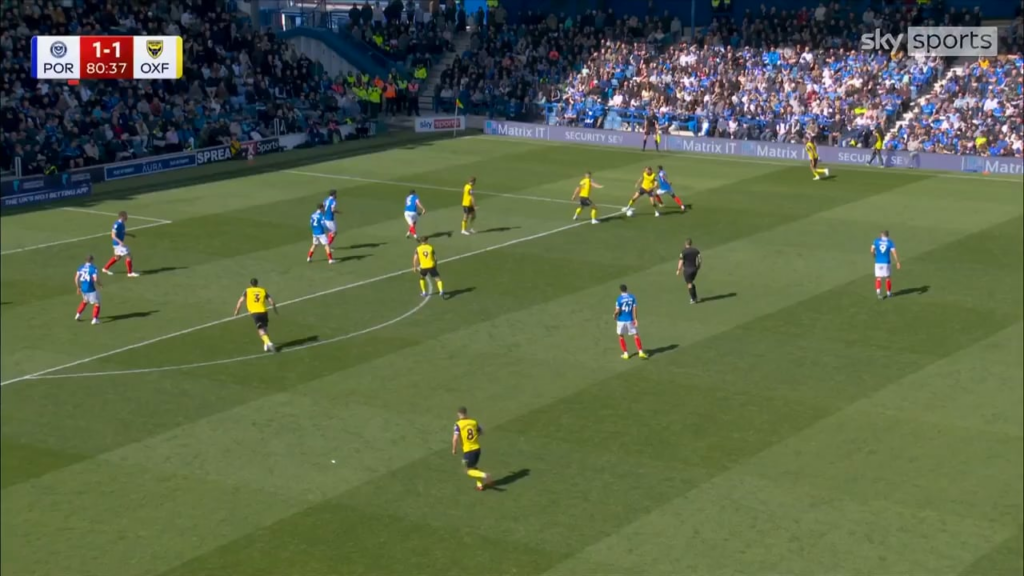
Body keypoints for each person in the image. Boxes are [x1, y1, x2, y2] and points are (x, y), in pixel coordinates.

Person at [452, 406, 493, 491]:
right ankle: (480, 485)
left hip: (469, 451)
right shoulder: (473, 422)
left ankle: (485, 475)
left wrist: (454, 449)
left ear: (458, 414)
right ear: (466, 413)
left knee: (467, 470)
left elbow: (455, 438)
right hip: (477, 449)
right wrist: (475, 436)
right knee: (474, 467)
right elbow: (481, 432)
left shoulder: (458, 424)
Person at [234, 277, 278, 352]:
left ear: (250, 284)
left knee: (260, 330)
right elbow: (272, 302)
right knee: (264, 327)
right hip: (264, 312)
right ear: (257, 283)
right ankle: (266, 344)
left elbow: (240, 301)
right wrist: (275, 310)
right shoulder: (262, 290)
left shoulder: (247, 291)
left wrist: (237, 311)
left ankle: (268, 343)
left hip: (255, 313)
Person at [102, 211, 140, 277]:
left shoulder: (122, 224)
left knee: (117, 257)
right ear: (122, 217)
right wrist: (120, 242)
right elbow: (113, 235)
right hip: (118, 244)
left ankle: (105, 268)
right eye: (126, 216)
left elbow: (122, 232)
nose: (127, 217)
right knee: (128, 256)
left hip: (118, 244)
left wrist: (130, 235)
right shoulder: (117, 224)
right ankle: (130, 273)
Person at [614, 284, 647, 359]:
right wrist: (635, 318)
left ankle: (625, 353)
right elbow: (634, 308)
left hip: (621, 320)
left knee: (621, 336)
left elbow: (617, 310)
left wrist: (614, 315)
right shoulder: (632, 297)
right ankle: (640, 351)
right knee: (635, 335)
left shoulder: (619, 299)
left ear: (620, 290)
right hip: (630, 319)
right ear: (626, 289)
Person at [871, 230, 901, 299]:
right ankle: (888, 293)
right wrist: (897, 262)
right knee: (888, 278)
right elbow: (894, 253)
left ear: (881, 235)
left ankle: (878, 293)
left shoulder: (876, 241)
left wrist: (874, 255)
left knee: (878, 278)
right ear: (888, 235)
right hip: (886, 262)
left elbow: (872, 250)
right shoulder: (890, 242)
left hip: (878, 262)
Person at [74, 255, 102, 324]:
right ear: (92, 260)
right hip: (91, 288)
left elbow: (76, 278)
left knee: (85, 301)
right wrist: (100, 284)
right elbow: (95, 279)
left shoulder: (80, 267)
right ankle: (95, 319)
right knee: (97, 303)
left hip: (83, 288)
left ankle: (78, 314)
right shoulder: (93, 268)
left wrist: (78, 287)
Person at [676, 238, 702, 303]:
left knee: (689, 284)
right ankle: (695, 297)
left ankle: (693, 299)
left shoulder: (684, 252)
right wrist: (698, 267)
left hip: (687, 270)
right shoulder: (696, 251)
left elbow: (681, 261)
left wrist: (678, 270)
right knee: (691, 282)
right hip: (694, 269)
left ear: (685, 244)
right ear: (691, 243)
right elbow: (699, 260)